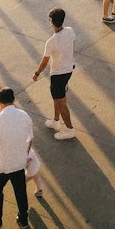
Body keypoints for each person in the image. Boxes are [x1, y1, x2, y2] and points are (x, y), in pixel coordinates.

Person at [0, 87, 33, 229]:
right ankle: (23, 219)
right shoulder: (24, 116)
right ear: (13, 100)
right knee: (21, 192)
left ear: (0, 103)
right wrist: (24, 154)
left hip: (3, 166)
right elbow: (30, 138)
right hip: (19, 164)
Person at [32, 8, 77, 141]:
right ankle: (56, 120)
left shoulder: (51, 42)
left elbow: (44, 62)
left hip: (58, 74)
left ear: (52, 22)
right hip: (68, 69)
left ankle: (69, 129)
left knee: (61, 102)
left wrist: (36, 74)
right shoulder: (70, 31)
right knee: (56, 97)